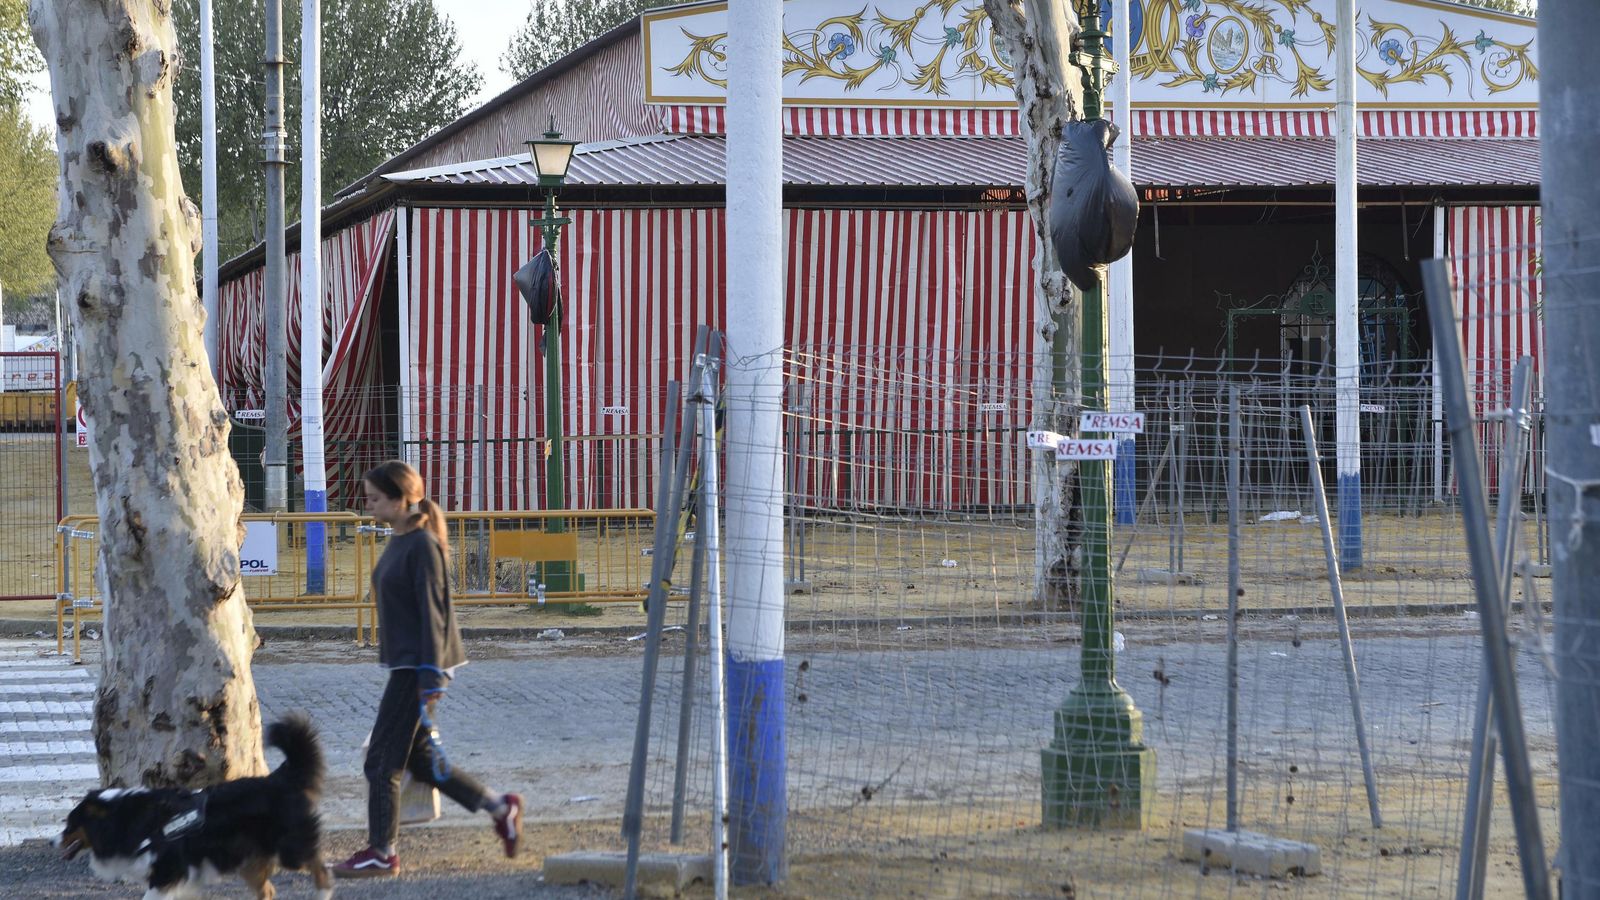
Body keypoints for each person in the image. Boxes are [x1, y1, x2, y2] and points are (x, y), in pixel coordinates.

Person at [332, 460, 523, 879]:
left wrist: (431, 676)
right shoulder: (400, 538)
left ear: (402, 500)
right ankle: (499, 806)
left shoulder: (421, 545)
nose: (368, 506)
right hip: (410, 663)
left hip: (418, 667)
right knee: (419, 761)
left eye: (375, 499)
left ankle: (382, 852)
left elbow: (435, 613)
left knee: (381, 763)